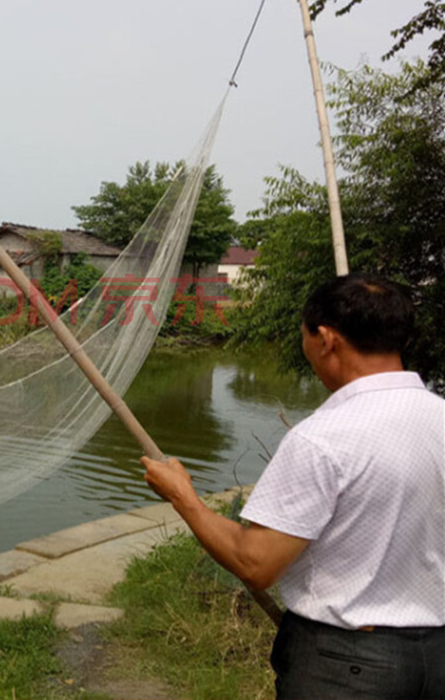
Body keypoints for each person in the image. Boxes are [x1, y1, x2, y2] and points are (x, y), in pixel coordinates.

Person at [142, 273, 445, 700]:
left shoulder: (323, 438)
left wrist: (183, 497)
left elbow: (256, 564)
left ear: (325, 339)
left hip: (348, 666)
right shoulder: (439, 416)